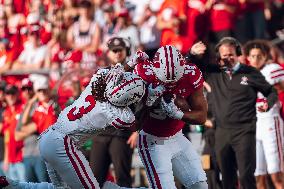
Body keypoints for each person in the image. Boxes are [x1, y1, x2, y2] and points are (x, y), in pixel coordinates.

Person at [0, 67, 146, 189]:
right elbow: (136, 123)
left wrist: (130, 65)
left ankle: (14, 185)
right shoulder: (116, 113)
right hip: (62, 144)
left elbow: (108, 70)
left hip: (47, 138)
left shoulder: (95, 82)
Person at [188, 37, 278, 189]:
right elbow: (189, 67)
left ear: (237, 54)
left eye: (231, 55)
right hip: (221, 132)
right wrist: (191, 53)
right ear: (219, 58)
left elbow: (272, 92)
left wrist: (267, 104)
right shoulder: (213, 74)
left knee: (245, 176)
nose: (228, 58)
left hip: (245, 131)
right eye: (224, 56)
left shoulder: (251, 73)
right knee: (227, 177)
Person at [133, 45, 208, 189]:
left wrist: (179, 114)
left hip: (177, 137)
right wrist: (147, 100)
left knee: (200, 186)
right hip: (153, 141)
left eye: (175, 80)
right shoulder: (143, 74)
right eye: (166, 80)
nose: (170, 84)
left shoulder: (191, 73)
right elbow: (134, 122)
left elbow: (202, 116)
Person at [89, 37, 139, 187]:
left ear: (126, 52)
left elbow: (143, 105)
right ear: (108, 53)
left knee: (123, 180)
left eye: (120, 50)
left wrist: (138, 130)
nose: (117, 53)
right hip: (101, 133)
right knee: (93, 180)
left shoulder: (135, 75)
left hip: (121, 134)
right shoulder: (100, 74)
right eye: (114, 50)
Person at [243, 40, 284, 189]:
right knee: (258, 176)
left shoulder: (272, 69)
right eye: (252, 56)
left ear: (265, 56)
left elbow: (281, 87)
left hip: (270, 122)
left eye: (258, 56)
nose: (255, 60)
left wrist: (274, 94)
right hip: (254, 125)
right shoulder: (245, 73)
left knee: (277, 175)